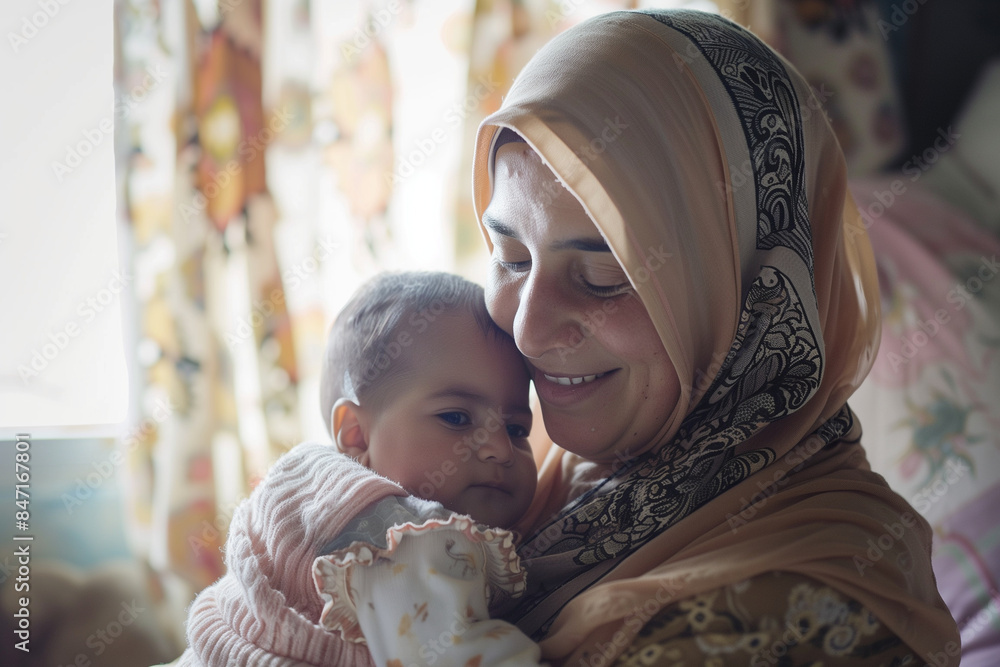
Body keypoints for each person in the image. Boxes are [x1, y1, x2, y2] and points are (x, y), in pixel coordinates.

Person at [469, 8, 961, 665]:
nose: (527, 327)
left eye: (602, 274)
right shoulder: (554, 471)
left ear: (744, 288)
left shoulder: (800, 608)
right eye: (512, 259)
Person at [177, 272, 544, 666]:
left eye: (516, 428)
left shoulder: (310, 488)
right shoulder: (403, 537)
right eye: (456, 417)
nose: (500, 449)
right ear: (356, 436)